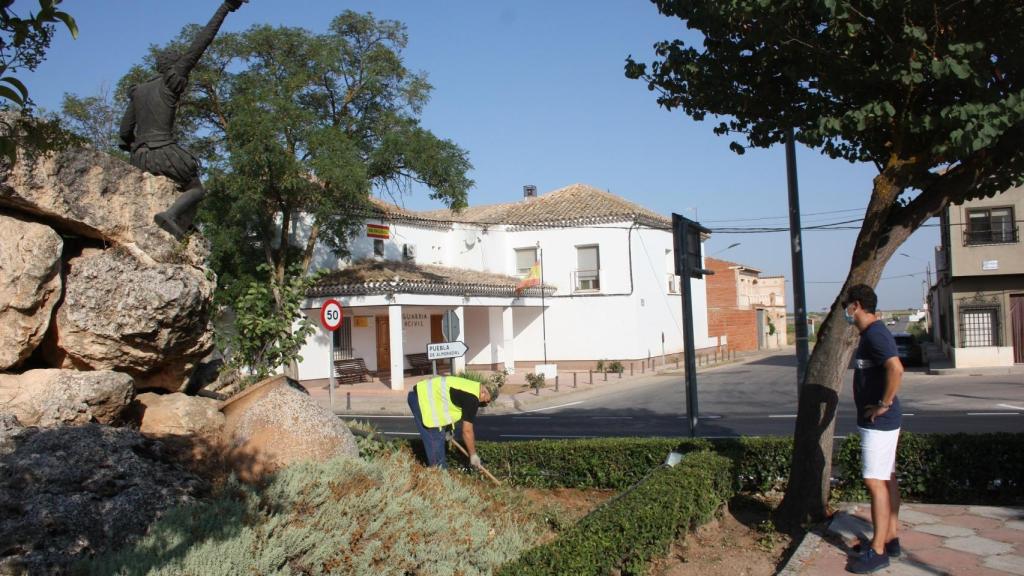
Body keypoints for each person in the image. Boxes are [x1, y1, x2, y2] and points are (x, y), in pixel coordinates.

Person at [118, 0, 245, 239]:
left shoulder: (138, 91)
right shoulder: (171, 81)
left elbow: (125, 131)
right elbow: (201, 43)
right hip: (164, 152)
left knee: (178, 184)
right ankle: (171, 215)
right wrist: (225, 7)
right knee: (196, 187)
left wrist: (130, 146)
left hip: (139, 157)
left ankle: (183, 221)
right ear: (174, 68)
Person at [843, 284, 904, 574]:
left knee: (874, 482)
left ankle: (878, 551)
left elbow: (896, 368)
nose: (846, 311)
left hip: (878, 423)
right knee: (887, 477)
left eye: (847, 306)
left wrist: (883, 403)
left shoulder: (876, 334)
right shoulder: (871, 334)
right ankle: (890, 538)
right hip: (882, 422)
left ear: (856, 305)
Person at [408, 374, 491, 469]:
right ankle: (438, 479)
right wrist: (473, 455)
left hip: (422, 397)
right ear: (484, 392)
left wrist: (448, 429)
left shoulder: (470, 386)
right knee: (437, 451)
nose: (484, 404)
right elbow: (467, 431)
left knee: (438, 439)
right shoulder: (472, 398)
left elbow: (447, 402)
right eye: (486, 401)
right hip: (422, 401)